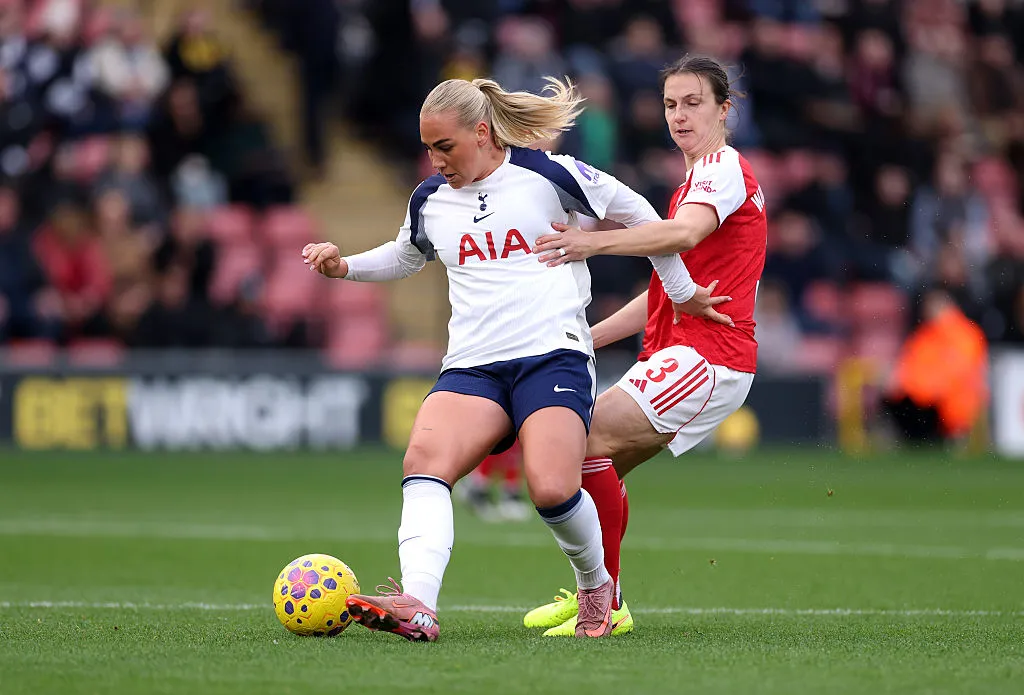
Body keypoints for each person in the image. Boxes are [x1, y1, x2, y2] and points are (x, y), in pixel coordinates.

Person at [300, 75, 729, 641]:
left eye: (445, 146)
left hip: (553, 358)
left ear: (482, 133)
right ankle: (418, 603)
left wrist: (679, 293)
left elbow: (642, 216)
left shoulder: (550, 174)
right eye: (428, 148)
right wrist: (343, 267)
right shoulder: (430, 198)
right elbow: (407, 255)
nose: (435, 160)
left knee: (551, 488)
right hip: (472, 366)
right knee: (423, 462)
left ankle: (596, 587)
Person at [521, 55, 768, 636]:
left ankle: (602, 604)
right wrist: (584, 338)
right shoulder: (693, 180)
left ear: (724, 109)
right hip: (681, 351)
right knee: (581, 466)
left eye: (693, 103)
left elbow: (682, 235)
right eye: (670, 104)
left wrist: (591, 242)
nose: (679, 116)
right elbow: (667, 287)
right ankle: (604, 596)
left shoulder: (722, 167)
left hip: (710, 357)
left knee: (582, 443)